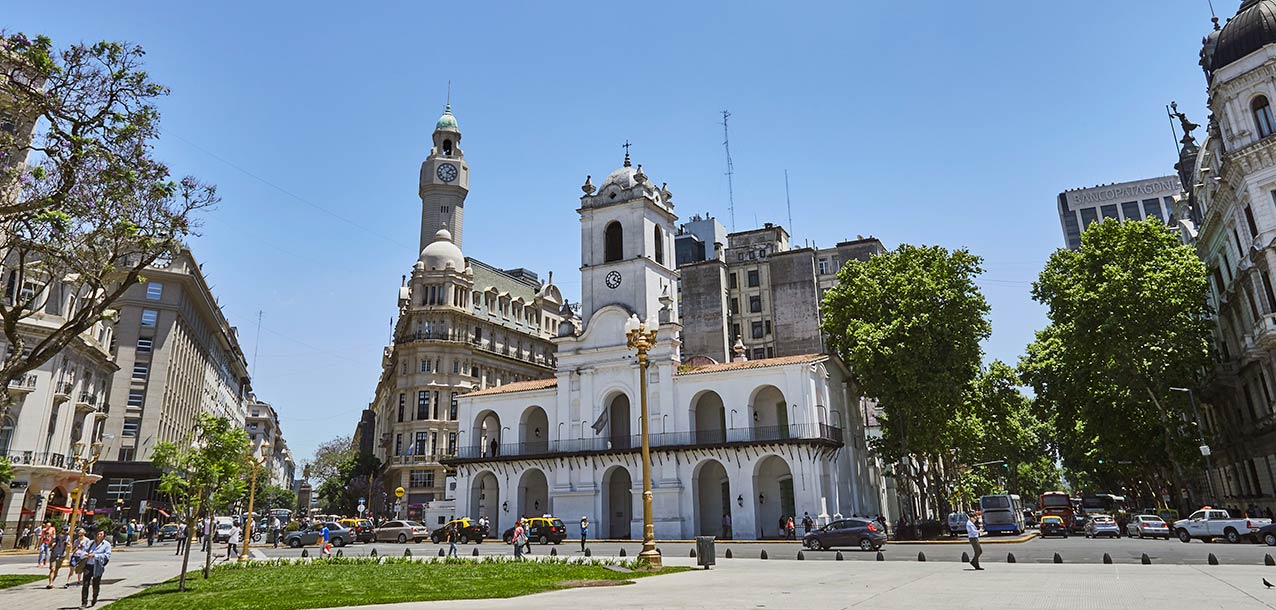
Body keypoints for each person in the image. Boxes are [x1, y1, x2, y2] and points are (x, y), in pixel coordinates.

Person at [80, 528, 112, 608]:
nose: (99, 535)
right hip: (88, 565)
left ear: (104, 535)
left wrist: (95, 556)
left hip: (98, 566)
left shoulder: (106, 544)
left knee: (95, 584)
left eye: (101, 534)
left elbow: (107, 555)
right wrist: (85, 554)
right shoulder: (91, 543)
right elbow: (83, 551)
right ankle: (84, 602)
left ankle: (94, 598)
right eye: (97, 534)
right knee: (85, 584)